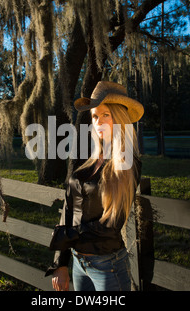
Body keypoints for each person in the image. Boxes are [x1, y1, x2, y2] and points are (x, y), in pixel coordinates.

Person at [45, 81, 144, 291]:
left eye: (105, 115)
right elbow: (69, 208)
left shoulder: (127, 164)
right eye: (95, 117)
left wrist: (68, 235)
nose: (98, 122)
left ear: (119, 118)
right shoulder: (89, 161)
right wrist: (60, 262)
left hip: (108, 267)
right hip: (78, 264)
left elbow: (112, 223)